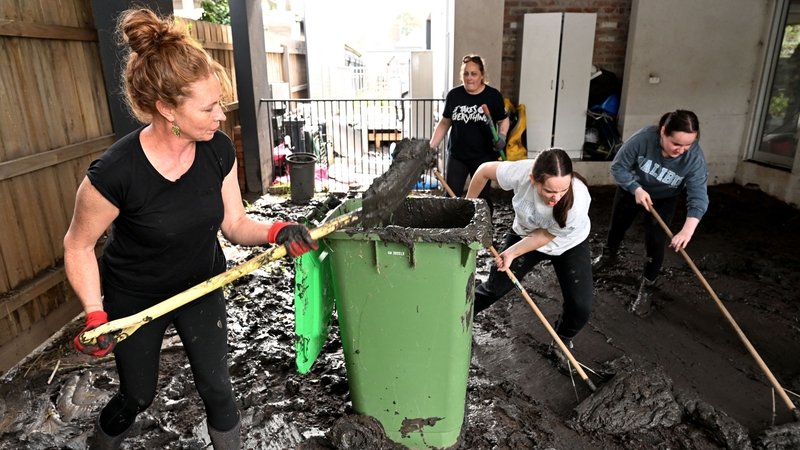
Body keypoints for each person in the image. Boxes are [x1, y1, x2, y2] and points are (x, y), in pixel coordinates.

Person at [62, 9, 317, 450]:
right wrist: (95, 312)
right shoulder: (116, 173)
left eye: (220, 103)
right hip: (137, 297)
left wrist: (279, 230)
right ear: (166, 109)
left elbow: (234, 225)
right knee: (137, 395)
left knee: (218, 390)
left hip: (201, 284)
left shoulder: (217, 150)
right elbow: (78, 246)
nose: (221, 115)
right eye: (209, 107)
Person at [467, 148, 593, 371]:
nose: (557, 198)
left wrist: (513, 252)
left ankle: (561, 341)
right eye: (549, 191)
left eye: (563, 190)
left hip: (568, 243)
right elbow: (483, 171)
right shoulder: (520, 171)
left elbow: (545, 236)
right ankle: (461, 318)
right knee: (496, 287)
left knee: (581, 307)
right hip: (526, 233)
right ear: (533, 179)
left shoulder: (577, 201)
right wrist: (467, 210)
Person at [593, 110, 708, 317]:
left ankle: (647, 287)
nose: (681, 150)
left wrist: (687, 231)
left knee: (655, 241)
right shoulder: (643, 140)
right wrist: (635, 189)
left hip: (665, 197)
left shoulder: (694, 159)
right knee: (617, 225)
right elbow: (618, 167)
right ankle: (608, 256)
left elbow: (699, 196)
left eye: (688, 145)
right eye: (676, 144)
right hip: (633, 189)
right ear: (663, 132)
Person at [430, 54, 509, 217]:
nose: (469, 78)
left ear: (482, 75)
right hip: (457, 156)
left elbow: (503, 120)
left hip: (483, 157)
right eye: (466, 74)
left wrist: (502, 136)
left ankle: (484, 232)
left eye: (473, 74)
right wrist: (430, 148)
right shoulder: (454, 95)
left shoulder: (492, 96)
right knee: (451, 195)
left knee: (481, 198)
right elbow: (445, 123)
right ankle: (450, 231)